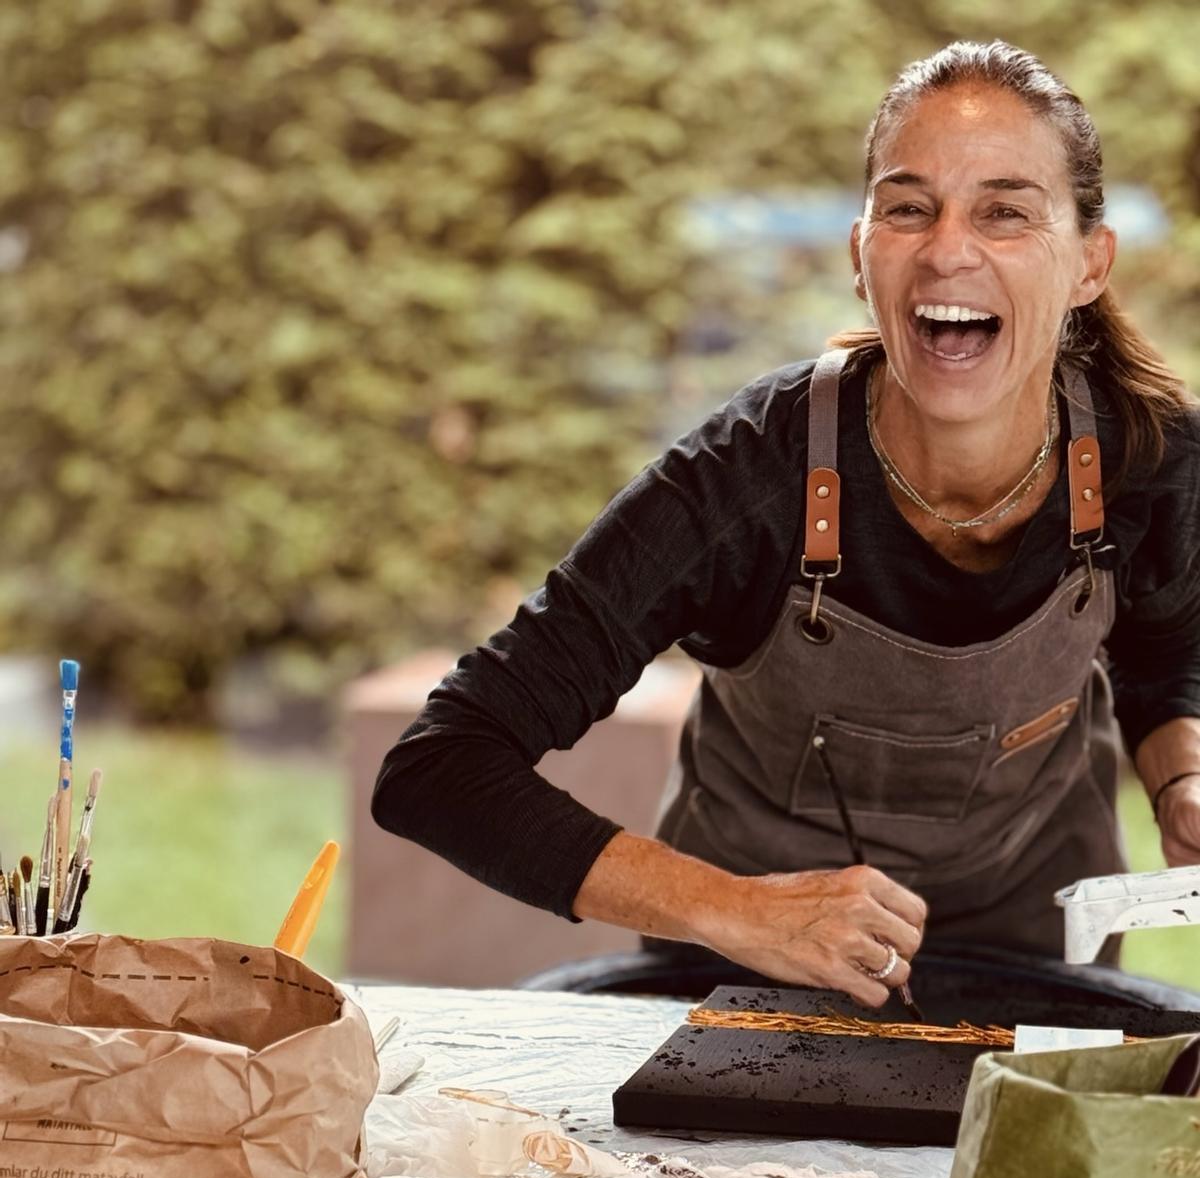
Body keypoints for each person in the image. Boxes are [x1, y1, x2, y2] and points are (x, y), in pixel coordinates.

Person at [372, 41, 1200, 1007]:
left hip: (1032, 965)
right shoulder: (745, 481)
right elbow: (440, 766)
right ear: (861, 254)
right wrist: (737, 909)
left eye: (1006, 212)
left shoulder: (1152, 455)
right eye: (907, 207)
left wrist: (1181, 778)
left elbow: (1159, 644)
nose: (947, 249)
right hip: (742, 977)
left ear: (1089, 264)